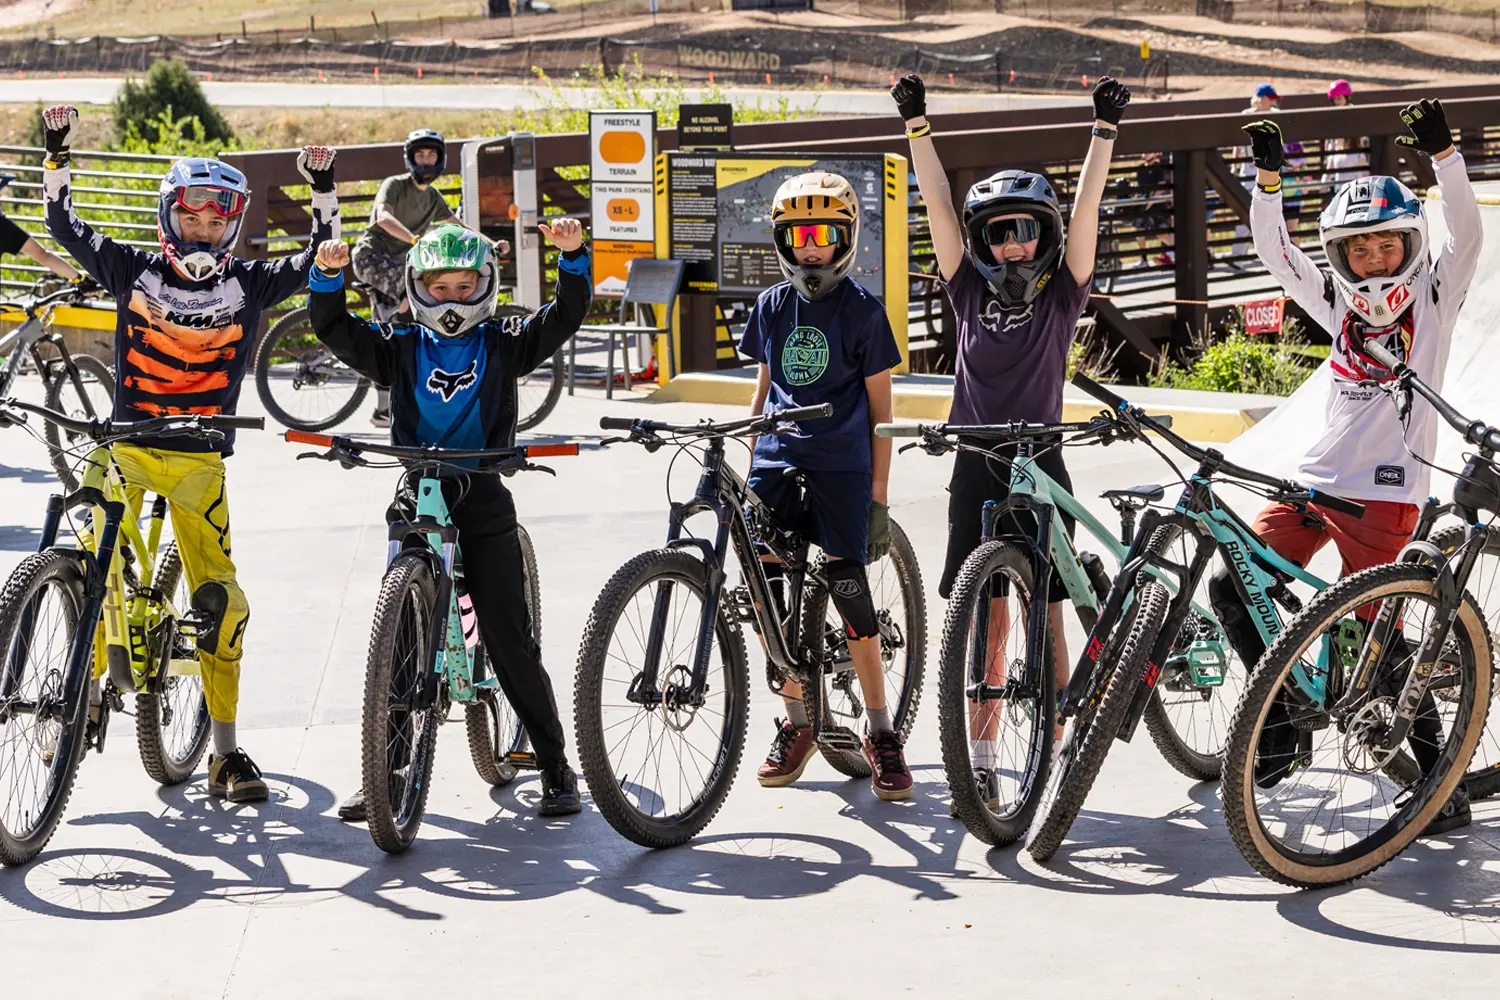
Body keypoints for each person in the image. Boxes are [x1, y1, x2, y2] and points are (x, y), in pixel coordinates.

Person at [40, 104, 341, 802]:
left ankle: (227, 753)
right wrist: (56, 148)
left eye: (217, 221)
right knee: (88, 565)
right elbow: (64, 226)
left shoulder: (250, 284)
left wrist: (322, 189)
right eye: (193, 218)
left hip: (200, 462)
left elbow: (319, 255)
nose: (204, 231)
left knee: (222, 603)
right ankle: (81, 692)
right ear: (168, 219)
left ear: (232, 225)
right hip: (124, 447)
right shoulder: (131, 271)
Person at [1237, 98, 1479, 834]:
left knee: (1380, 647)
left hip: (1385, 499)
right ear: (1340, 258)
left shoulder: (1435, 301)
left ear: (1411, 246)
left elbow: (1467, 234)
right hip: (1311, 484)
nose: (1373, 264)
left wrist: (1445, 156)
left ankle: (1442, 784)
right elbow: (1277, 252)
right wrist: (1268, 179)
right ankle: (1280, 728)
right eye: (1357, 251)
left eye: (1387, 247)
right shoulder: (1335, 306)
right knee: (1233, 584)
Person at [890, 73, 1127, 812]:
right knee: (985, 614)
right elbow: (934, 206)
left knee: (1047, 604)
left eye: (1028, 230)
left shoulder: (1063, 294)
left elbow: (1086, 210)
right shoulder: (965, 290)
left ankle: (1064, 734)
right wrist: (918, 126)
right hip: (978, 458)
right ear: (984, 242)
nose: (1016, 243)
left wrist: (1103, 131)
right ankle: (984, 758)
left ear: (1046, 238)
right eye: (1001, 232)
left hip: (1043, 457)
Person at [309, 220, 593, 820]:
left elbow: (564, 317)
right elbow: (333, 327)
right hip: (418, 490)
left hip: (483, 493)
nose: (453, 300)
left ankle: (554, 765)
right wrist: (328, 277)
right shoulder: (400, 346)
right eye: (438, 288)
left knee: (508, 638)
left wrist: (572, 258)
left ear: (487, 286)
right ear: (416, 287)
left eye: (467, 287)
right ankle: (384, 773)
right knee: (401, 640)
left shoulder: (504, 342)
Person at [739, 171, 910, 801]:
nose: (811, 247)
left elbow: (882, 413)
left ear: (846, 240)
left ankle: (882, 730)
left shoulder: (865, 312)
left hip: (841, 465)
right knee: (762, 591)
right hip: (777, 462)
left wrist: (879, 500)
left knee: (847, 586)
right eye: (799, 235)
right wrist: (751, 453)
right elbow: (762, 391)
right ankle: (798, 724)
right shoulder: (771, 306)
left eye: (824, 234)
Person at [353, 129, 467, 428]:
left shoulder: (432, 196)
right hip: (371, 258)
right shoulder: (395, 185)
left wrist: (489, 245)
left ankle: (382, 410)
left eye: (432, 155)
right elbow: (383, 217)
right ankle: (393, 345)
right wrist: (414, 238)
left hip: (401, 264)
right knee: (413, 297)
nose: (426, 161)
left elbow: (457, 226)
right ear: (410, 158)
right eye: (421, 155)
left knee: (391, 324)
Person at [0, 172, 85, 285]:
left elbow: (42, 254)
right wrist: (80, 279)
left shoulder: (3, 227)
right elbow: (42, 254)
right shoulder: (3, 227)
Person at [1322, 79, 1369, 187]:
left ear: (1346, 97)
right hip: (1340, 160)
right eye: (1335, 99)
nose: (1336, 102)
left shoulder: (1353, 113)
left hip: (1351, 159)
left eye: (1339, 98)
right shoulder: (1335, 115)